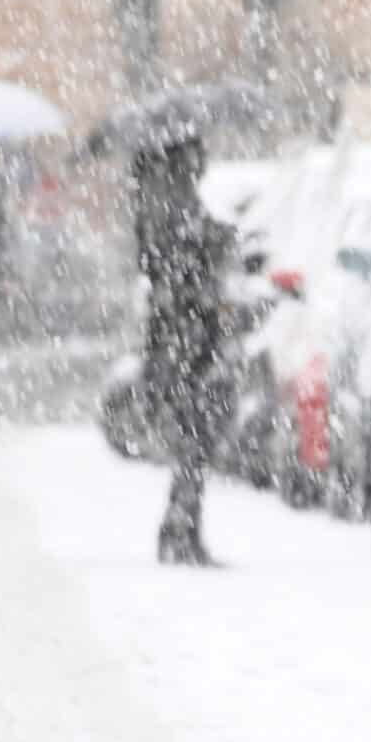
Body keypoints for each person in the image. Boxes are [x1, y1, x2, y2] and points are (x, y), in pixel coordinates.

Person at [135, 132, 230, 565]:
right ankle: (180, 529)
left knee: (193, 439)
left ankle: (182, 526)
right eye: (197, 154)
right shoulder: (172, 207)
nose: (202, 162)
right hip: (185, 340)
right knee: (195, 438)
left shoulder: (164, 205)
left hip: (182, 339)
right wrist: (211, 247)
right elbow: (178, 274)